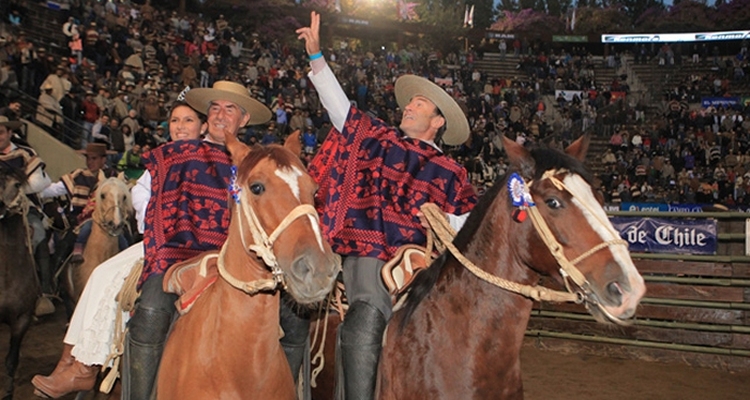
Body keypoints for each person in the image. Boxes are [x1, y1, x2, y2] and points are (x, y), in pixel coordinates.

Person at [297, 12, 477, 399]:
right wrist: (317, 58)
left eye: (418, 105)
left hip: (426, 266)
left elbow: (468, 226)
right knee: (366, 312)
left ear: (438, 121)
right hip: (371, 251)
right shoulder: (378, 138)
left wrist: (442, 219)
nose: (407, 108)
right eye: (408, 103)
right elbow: (340, 110)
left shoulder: (453, 173)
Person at [30, 100, 209, 399]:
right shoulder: (160, 158)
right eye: (175, 120)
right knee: (94, 266)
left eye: (188, 120)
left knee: (114, 258)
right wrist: (152, 215)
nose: (179, 127)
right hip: (156, 235)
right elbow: (139, 193)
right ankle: (73, 361)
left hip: (192, 242)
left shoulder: (207, 156)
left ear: (202, 126)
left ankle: (82, 365)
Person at [122, 81, 271, 400]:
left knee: (289, 324)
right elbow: (144, 192)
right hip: (177, 252)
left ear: (243, 120)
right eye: (215, 108)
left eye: (230, 109)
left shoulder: (255, 164)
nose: (220, 115)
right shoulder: (177, 151)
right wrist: (155, 228)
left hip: (235, 258)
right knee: (150, 314)